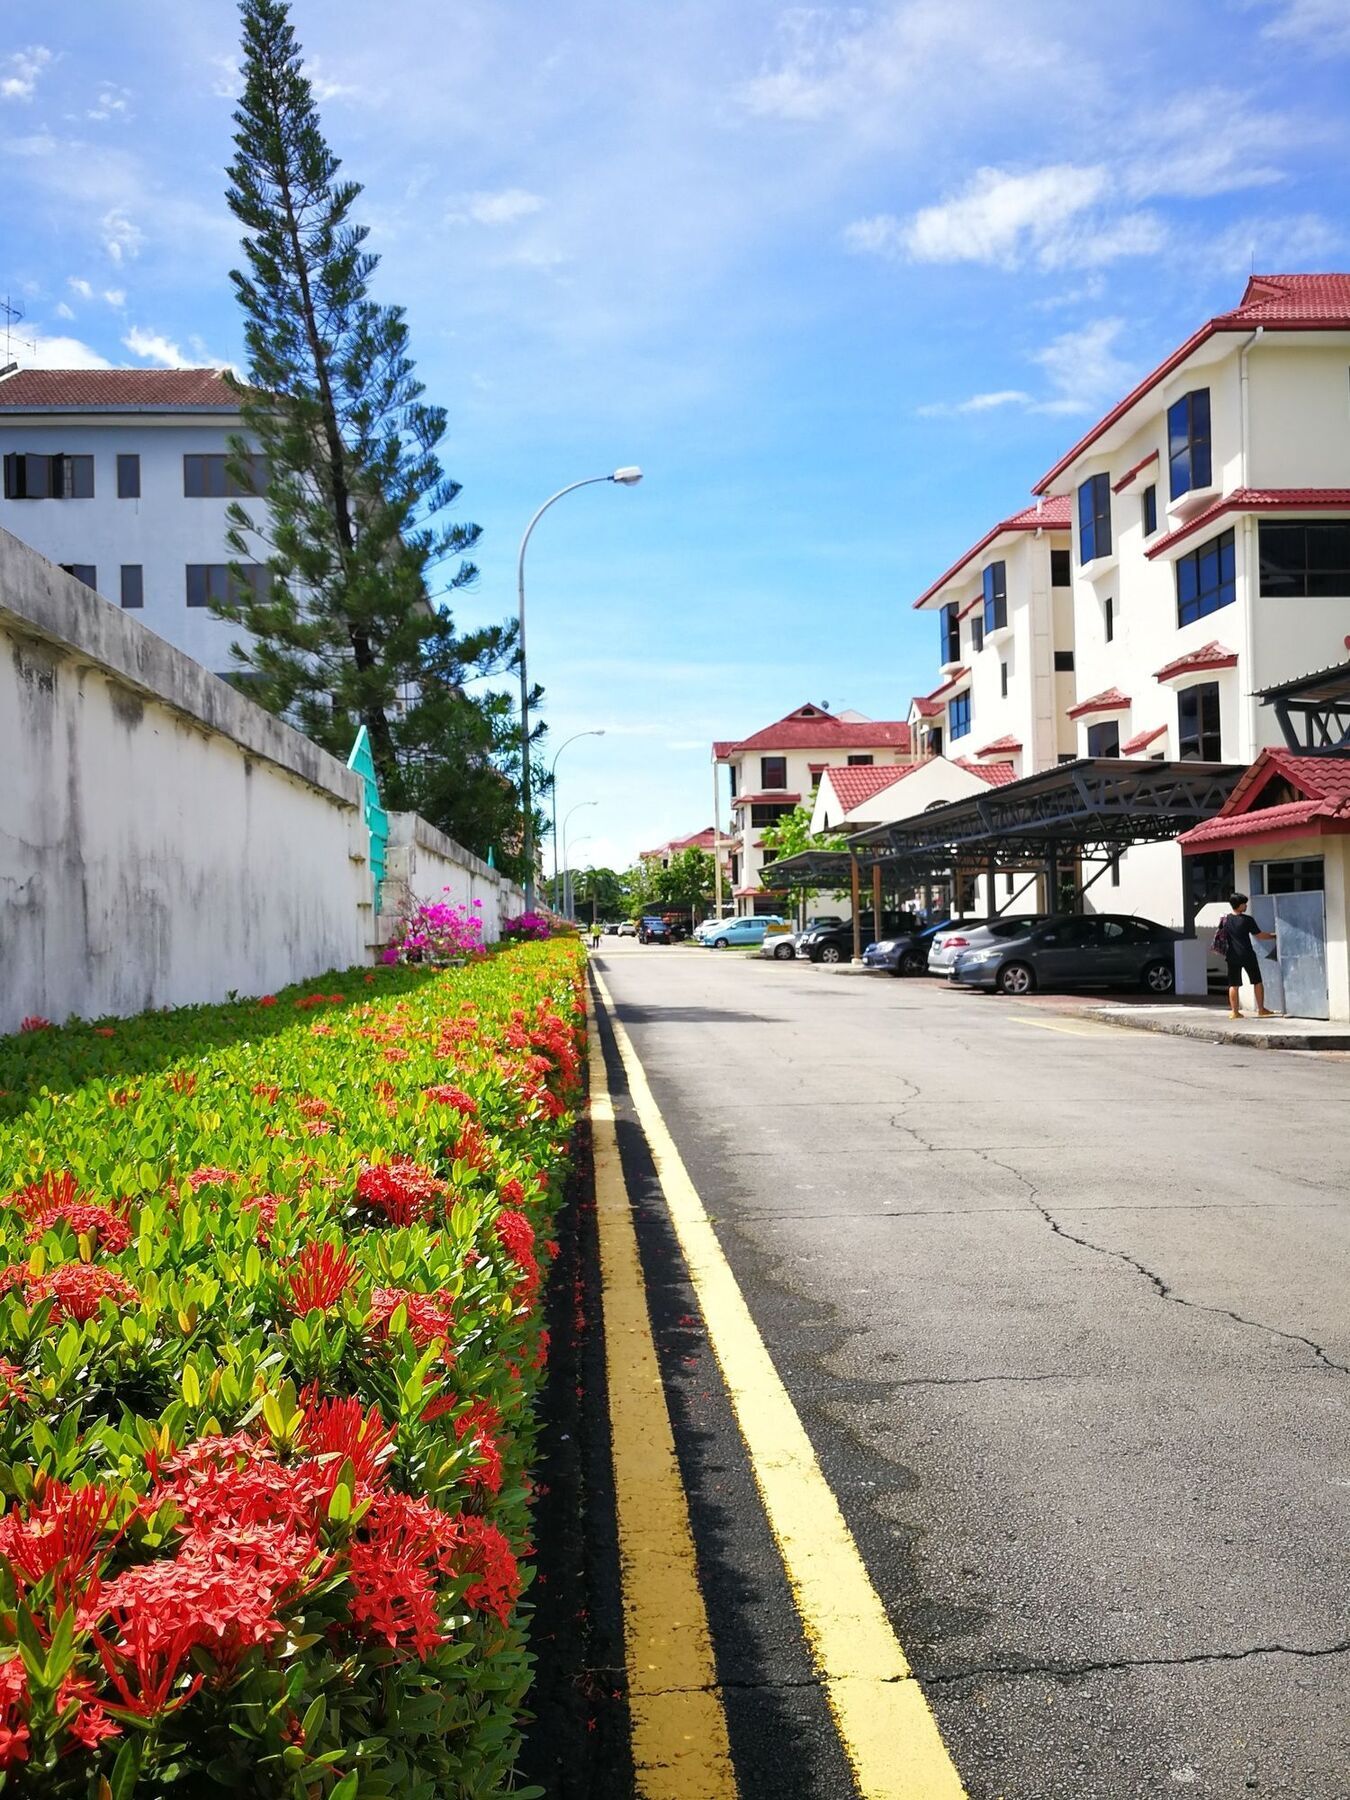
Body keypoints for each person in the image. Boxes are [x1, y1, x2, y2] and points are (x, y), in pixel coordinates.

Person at [1221, 893, 1277, 1020]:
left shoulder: (1225, 920)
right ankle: (1261, 1009)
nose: (1246, 905)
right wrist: (1274, 936)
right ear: (1239, 905)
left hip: (1232, 955)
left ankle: (1234, 1012)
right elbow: (1259, 936)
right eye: (1244, 903)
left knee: (1233, 984)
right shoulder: (1247, 920)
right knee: (1257, 981)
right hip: (1247, 954)